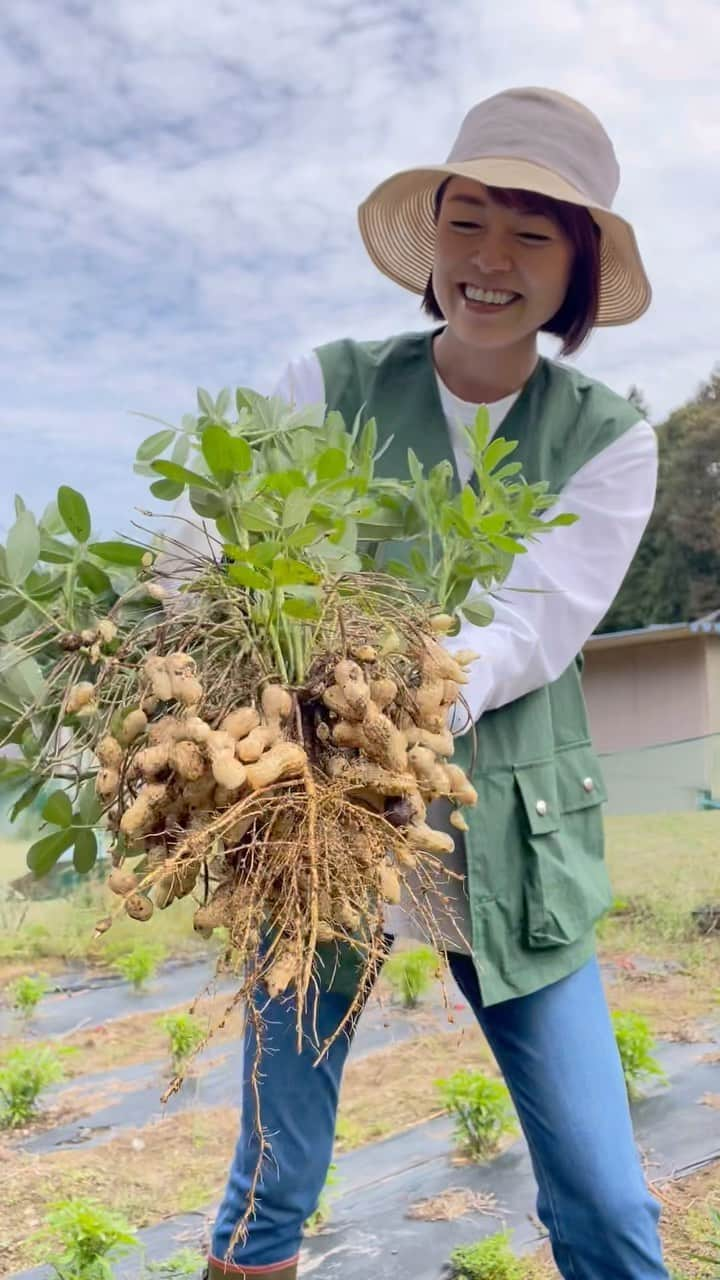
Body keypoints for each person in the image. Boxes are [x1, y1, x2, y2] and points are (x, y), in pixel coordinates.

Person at [203, 87, 668, 1279]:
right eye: (468, 221)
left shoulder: (609, 432)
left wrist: (404, 722)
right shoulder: (323, 380)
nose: (490, 260)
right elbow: (232, 548)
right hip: (320, 824)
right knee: (270, 1184)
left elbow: (535, 624)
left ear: (577, 265)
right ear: (434, 241)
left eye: (531, 232)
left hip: (512, 826)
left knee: (608, 1205)